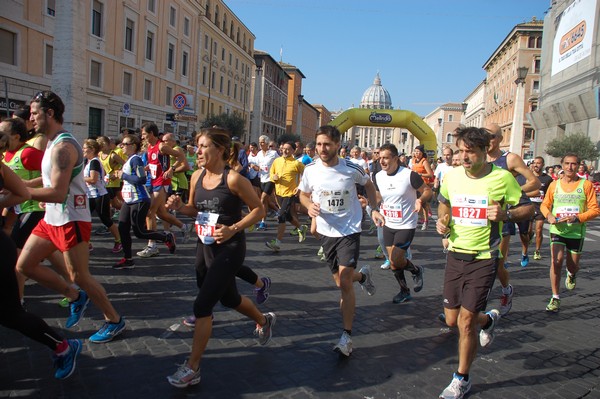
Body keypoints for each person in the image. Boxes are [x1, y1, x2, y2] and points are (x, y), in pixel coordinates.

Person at [165, 127, 274, 388]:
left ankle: (192, 368)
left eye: (203, 146)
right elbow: (194, 209)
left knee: (202, 306)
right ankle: (263, 320)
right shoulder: (196, 177)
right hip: (205, 247)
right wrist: (180, 207)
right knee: (230, 298)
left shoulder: (234, 180)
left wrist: (234, 228)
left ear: (220, 150)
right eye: (197, 146)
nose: (197, 151)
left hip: (231, 248)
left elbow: (259, 210)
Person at [16, 91, 125, 343]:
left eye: (34, 113)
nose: (30, 119)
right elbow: (47, 179)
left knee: (80, 277)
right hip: (51, 219)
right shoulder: (52, 143)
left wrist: (21, 191)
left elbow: (56, 191)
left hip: (71, 219)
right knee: (23, 265)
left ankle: (114, 319)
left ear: (49, 113)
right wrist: (17, 186)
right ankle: (75, 297)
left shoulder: (64, 146)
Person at [436, 126, 533, 399]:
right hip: (456, 253)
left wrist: (507, 214)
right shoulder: (452, 177)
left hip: (484, 257)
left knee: (466, 323)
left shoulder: (502, 178)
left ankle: (461, 378)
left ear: (483, 152)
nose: (464, 157)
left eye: (470, 152)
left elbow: (529, 208)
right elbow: (444, 203)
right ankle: (489, 320)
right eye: (461, 151)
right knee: (452, 319)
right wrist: (442, 220)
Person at [0, 140, 82, 380]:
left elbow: (24, 192)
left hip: (37, 217)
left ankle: (63, 343)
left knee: (10, 313)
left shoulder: (31, 153)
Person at [298, 125, 380, 357]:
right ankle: (362, 276)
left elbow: (369, 185)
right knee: (341, 281)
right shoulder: (310, 169)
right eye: (319, 144)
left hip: (349, 229)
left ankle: (347, 335)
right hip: (326, 231)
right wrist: (308, 206)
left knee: (344, 281)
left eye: (327, 144)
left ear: (337, 145)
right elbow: (303, 194)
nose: (322, 149)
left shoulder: (351, 168)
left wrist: (373, 208)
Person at [485, 123, 539, 316]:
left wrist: (509, 193)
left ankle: (505, 290)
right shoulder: (476, 157)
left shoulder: (510, 159)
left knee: (496, 262)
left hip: (502, 219)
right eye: (483, 135)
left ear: (500, 138)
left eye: (491, 136)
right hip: (480, 220)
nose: (487, 139)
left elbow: (535, 182)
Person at [540, 153, 600, 312]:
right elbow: (544, 205)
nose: (570, 167)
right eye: (566, 163)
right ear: (562, 165)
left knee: (572, 266)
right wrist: (549, 215)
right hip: (557, 230)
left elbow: (595, 210)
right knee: (556, 261)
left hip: (576, 232)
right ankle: (555, 297)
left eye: (573, 164)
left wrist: (578, 218)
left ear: (579, 166)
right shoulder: (554, 185)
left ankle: (572, 274)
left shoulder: (586, 185)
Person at [374, 143, 431, 303]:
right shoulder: (378, 176)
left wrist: (420, 200)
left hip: (406, 224)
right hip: (387, 223)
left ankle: (416, 270)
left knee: (396, 258)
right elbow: (379, 196)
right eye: (380, 158)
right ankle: (405, 290)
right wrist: (372, 206)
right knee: (393, 263)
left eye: (386, 158)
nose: (382, 161)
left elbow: (428, 191)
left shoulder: (409, 175)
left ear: (395, 159)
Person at [113, 135, 176, 269]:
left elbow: (141, 179)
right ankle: (128, 259)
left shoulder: (136, 160)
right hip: (129, 200)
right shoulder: (129, 159)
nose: (121, 146)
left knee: (139, 232)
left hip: (140, 199)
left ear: (133, 146)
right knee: (122, 228)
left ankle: (166, 237)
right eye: (121, 144)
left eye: (125, 144)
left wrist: (123, 176)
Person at [138, 122, 191, 258]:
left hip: (162, 182)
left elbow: (180, 156)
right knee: (161, 213)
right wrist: (147, 168)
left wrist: (171, 169)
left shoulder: (162, 146)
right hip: (153, 181)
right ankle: (184, 227)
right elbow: (155, 164)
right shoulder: (150, 147)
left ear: (151, 134)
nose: (142, 136)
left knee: (150, 212)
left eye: (144, 134)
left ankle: (152, 245)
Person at [265, 141, 307, 251]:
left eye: (288, 149)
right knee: (287, 216)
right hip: (278, 193)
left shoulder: (296, 163)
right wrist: (273, 177)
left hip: (290, 193)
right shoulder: (276, 161)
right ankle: (301, 228)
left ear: (293, 151)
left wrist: (300, 186)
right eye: (283, 148)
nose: (285, 150)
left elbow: (307, 174)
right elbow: (271, 173)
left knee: (281, 216)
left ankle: (277, 242)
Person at [82, 139, 122, 253]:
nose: (83, 150)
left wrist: (78, 179)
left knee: (106, 220)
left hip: (99, 195)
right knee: (83, 219)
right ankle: (87, 243)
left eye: (85, 148)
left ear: (92, 149)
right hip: (90, 195)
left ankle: (119, 241)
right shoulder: (90, 162)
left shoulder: (94, 162)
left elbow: (93, 179)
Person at [251, 135, 279, 230]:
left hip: (270, 179)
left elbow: (280, 163)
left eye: (262, 142)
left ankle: (257, 217)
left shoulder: (273, 153)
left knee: (262, 199)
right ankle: (263, 222)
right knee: (266, 202)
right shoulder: (259, 154)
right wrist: (254, 167)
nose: (260, 144)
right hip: (262, 179)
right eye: (260, 142)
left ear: (267, 143)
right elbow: (258, 166)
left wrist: (277, 174)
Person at [529, 156, 554, 260]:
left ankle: (537, 250)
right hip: (529, 207)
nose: (536, 165)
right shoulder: (528, 176)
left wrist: (550, 209)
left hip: (541, 207)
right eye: (534, 163)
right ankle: (530, 236)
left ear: (543, 165)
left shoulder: (548, 179)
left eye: (538, 163)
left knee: (539, 229)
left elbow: (551, 194)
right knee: (528, 230)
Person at [409, 145, 434, 230]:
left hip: (424, 186)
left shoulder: (424, 162)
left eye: (418, 152)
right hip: (415, 185)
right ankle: (420, 218)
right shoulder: (413, 161)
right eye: (415, 151)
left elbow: (430, 174)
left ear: (422, 153)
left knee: (424, 204)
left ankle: (426, 221)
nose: (417, 153)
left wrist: (420, 174)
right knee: (415, 203)